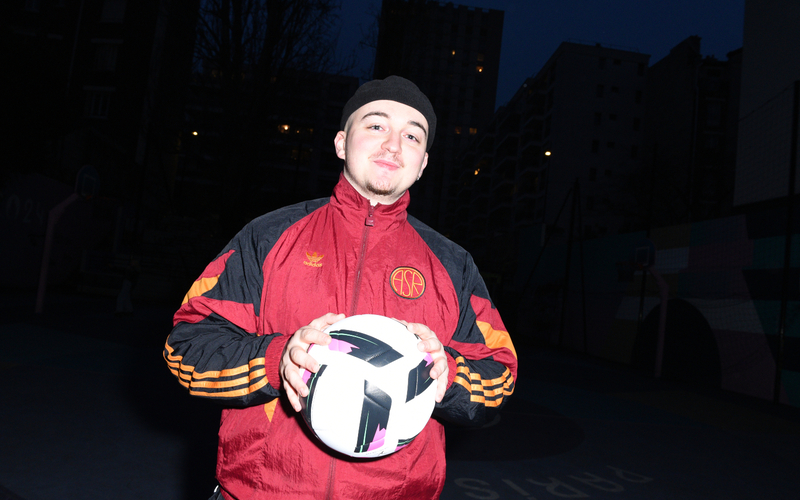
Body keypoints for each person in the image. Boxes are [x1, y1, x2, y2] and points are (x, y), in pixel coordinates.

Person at [164, 76, 518, 500]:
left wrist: (451, 376)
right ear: (340, 142)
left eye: (411, 135)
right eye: (376, 125)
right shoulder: (267, 236)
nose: (393, 145)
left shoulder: (453, 265)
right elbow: (186, 344)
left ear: (423, 162)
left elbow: (501, 370)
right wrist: (276, 359)